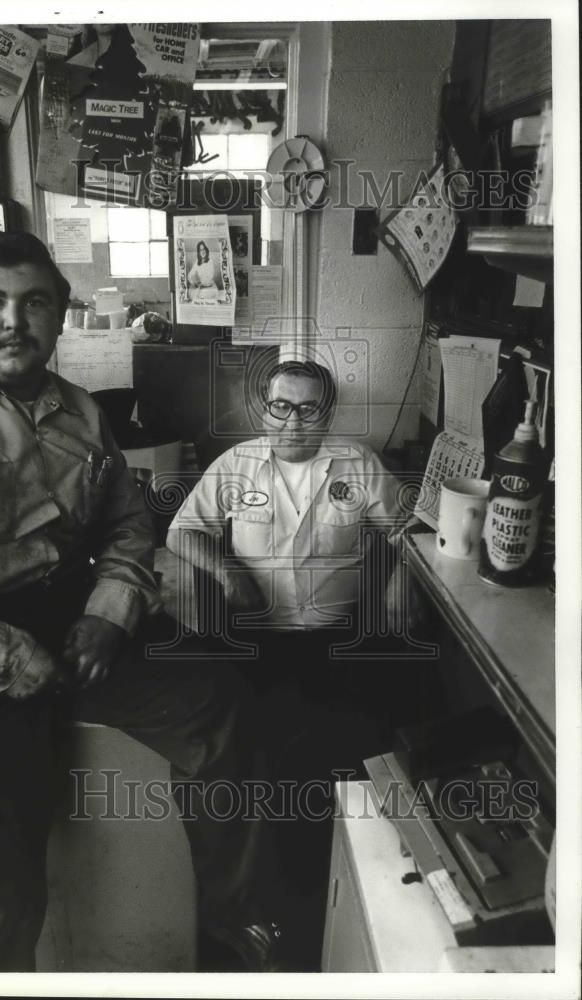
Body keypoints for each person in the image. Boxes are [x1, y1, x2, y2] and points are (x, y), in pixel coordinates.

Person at [0, 230, 280, 973]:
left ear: (60, 316)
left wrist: (109, 612)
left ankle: (229, 928)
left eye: (35, 303)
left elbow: (128, 525)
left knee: (221, 712)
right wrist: (3, 658)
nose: (14, 320)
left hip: (71, 622)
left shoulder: (79, 412)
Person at [166, 358, 436, 957]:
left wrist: (401, 581)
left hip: (333, 643)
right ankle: (248, 907)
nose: (294, 420)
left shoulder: (357, 464)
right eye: (282, 406)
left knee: (325, 767)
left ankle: (310, 905)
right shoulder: (236, 465)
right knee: (243, 764)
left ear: (327, 413)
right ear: (265, 409)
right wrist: (227, 571)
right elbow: (182, 533)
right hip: (254, 640)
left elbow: (409, 530)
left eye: (309, 407)